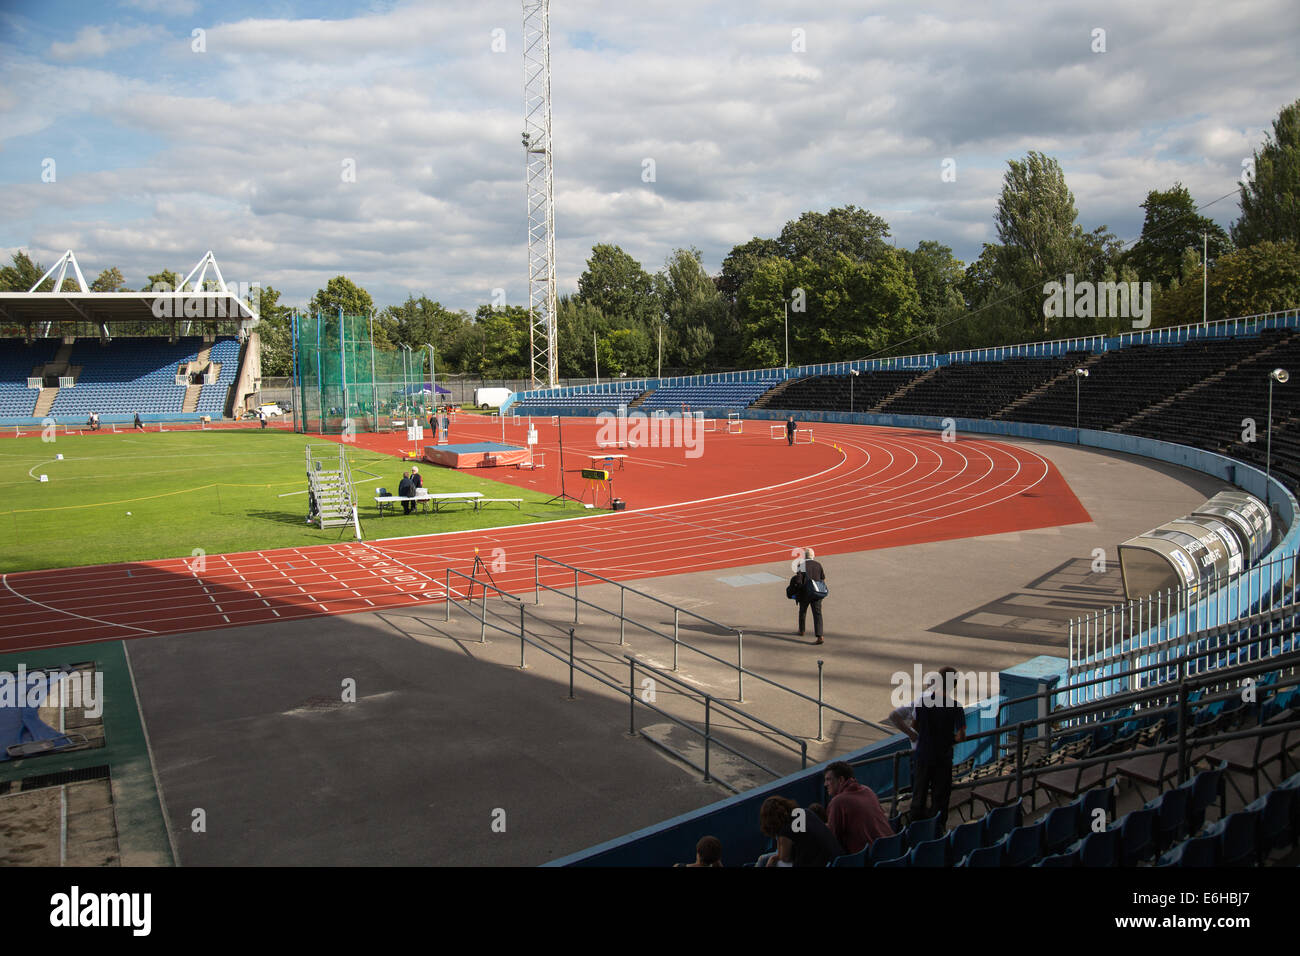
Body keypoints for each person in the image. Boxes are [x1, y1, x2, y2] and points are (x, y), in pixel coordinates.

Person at [911, 666, 966, 828]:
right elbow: (961, 735)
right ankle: (937, 830)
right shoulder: (956, 707)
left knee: (919, 793)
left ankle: (915, 829)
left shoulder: (923, 701)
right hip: (943, 757)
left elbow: (915, 726)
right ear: (954, 685)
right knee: (940, 797)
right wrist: (951, 739)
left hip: (923, 755)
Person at [823, 761, 893, 854]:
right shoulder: (867, 790)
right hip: (892, 848)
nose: (825, 784)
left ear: (840, 780)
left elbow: (832, 839)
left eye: (828, 779)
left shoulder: (838, 802)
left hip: (870, 857)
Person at [758, 795, 843, 867]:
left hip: (819, 863)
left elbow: (785, 858)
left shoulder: (785, 830)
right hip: (836, 859)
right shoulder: (806, 812)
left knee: (775, 862)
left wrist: (773, 859)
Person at [791, 547, 826, 644]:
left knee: (802, 611)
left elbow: (798, 580)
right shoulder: (818, 565)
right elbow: (823, 578)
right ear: (813, 556)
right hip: (816, 592)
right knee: (817, 613)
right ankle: (820, 636)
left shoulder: (801, 565)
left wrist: (796, 591)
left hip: (805, 593)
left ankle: (802, 630)